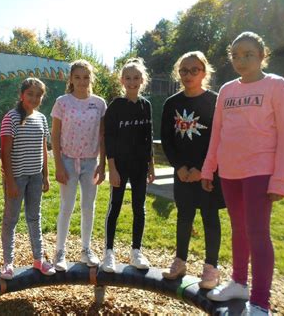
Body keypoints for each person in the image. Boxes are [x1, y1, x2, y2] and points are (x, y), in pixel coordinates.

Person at [201, 32, 284, 315]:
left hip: (260, 172)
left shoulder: (277, 86)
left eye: (248, 54)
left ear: (262, 55)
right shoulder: (227, 90)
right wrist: (209, 167)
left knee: (257, 233)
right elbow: (217, 132)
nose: (241, 60)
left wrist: (279, 179)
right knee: (239, 229)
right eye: (235, 55)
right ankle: (239, 283)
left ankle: (260, 303)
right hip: (230, 173)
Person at [160, 51, 224, 289]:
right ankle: (180, 261)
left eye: (194, 70)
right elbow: (167, 139)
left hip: (207, 174)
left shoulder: (215, 101)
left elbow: (220, 139)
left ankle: (211, 267)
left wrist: (204, 169)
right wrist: (179, 167)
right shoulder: (172, 103)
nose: (188, 75)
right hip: (182, 174)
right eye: (183, 70)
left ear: (204, 72)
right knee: (184, 216)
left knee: (209, 217)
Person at [51, 59, 106, 271]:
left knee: (88, 206)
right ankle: (60, 251)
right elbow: (55, 135)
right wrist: (58, 165)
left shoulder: (99, 103)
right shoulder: (62, 102)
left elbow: (102, 135)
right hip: (67, 160)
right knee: (66, 206)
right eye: (77, 77)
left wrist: (102, 163)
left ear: (91, 78)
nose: (82, 81)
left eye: (86, 77)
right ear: (71, 79)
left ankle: (86, 249)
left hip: (91, 162)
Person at [101, 58, 155, 273]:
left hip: (140, 165)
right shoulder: (116, 106)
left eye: (136, 78)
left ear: (142, 80)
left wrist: (151, 164)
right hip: (120, 166)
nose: (132, 82)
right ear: (122, 80)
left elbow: (148, 136)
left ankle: (136, 251)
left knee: (139, 208)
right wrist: (111, 168)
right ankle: (109, 253)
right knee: (115, 206)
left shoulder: (146, 105)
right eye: (128, 78)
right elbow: (109, 139)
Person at [0, 78, 56, 280]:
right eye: (30, 93)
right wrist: (11, 181)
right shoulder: (11, 118)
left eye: (38, 95)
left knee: (34, 217)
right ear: (22, 95)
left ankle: (38, 259)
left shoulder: (41, 118)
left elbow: (44, 149)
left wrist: (45, 176)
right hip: (17, 177)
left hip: (35, 177)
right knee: (11, 220)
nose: (34, 98)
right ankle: (8, 263)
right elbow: (5, 153)